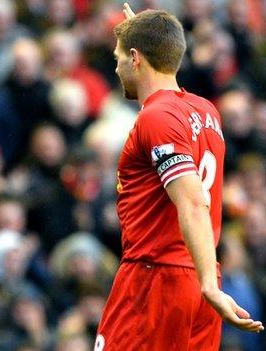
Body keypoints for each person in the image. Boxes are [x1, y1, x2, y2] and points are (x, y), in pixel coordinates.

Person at [94, 4, 263, 351]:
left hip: (157, 279)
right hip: (199, 278)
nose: (116, 66)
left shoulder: (155, 119)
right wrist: (142, 35)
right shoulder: (205, 110)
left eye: (119, 57)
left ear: (136, 59)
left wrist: (209, 286)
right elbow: (168, 92)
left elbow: (192, 201)